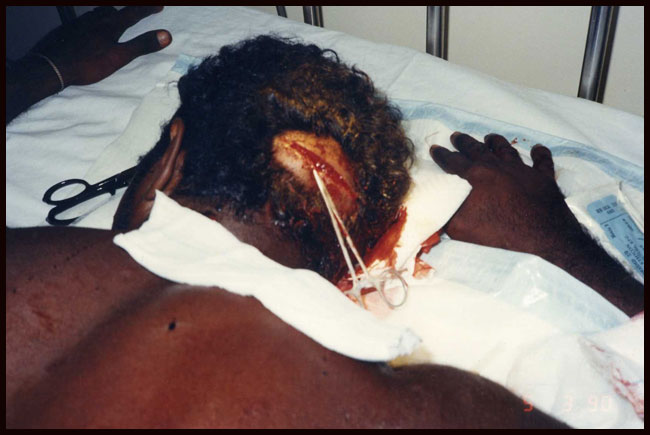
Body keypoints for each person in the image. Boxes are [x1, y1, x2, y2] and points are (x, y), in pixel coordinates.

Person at [6, 7, 643, 429]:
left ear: (167, 161)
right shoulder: (414, 409)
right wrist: (557, 243)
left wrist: (44, 70)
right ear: (355, 266)